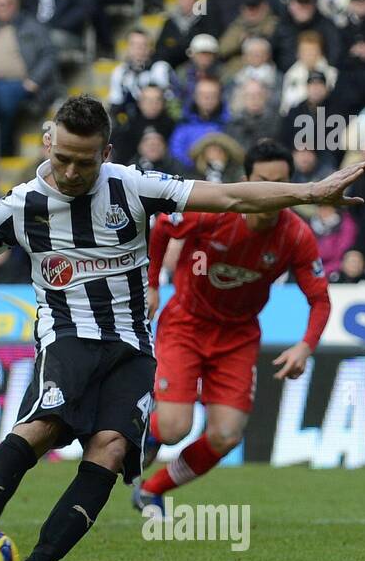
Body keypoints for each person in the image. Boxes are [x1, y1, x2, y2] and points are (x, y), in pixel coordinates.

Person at [0, 96, 365, 561]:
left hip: (131, 346)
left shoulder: (132, 185)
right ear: (47, 145)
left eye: (86, 162)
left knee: (108, 449)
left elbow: (228, 194)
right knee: (39, 432)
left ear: (105, 153)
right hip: (67, 338)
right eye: (64, 160)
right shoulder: (21, 204)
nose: (74, 172)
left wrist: (313, 192)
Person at [131, 140, 332, 517]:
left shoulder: (296, 235)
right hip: (186, 324)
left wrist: (306, 345)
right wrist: (154, 284)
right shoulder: (212, 210)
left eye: (281, 183)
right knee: (175, 427)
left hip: (238, 337)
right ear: (247, 181)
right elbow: (161, 229)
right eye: (264, 181)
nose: (273, 192)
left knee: (226, 435)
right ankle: (147, 435)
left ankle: (152, 489)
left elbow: (320, 299)